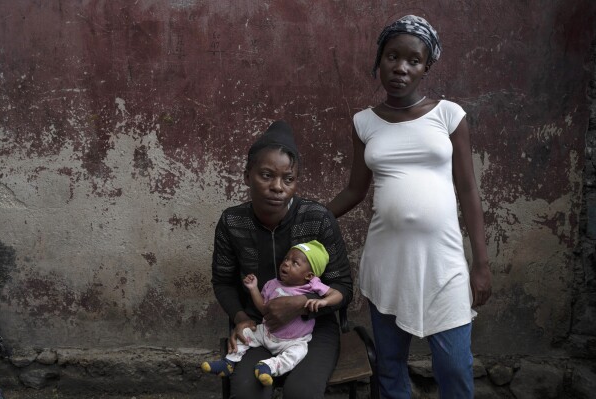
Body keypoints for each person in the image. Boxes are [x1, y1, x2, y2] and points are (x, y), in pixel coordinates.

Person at [327, 15, 492, 399]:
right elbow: (354, 190)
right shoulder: (364, 123)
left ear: (426, 67)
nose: (401, 67)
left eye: (413, 60)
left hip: (444, 264)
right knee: (390, 368)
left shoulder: (449, 115)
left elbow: (468, 190)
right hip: (387, 263)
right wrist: (305, 215)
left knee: (454, 366)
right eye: (392, 57)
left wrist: (480, 264)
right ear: (379, 60)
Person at [211, 120, 353, 399]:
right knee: (248, 392)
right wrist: (240, 318)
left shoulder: (316, 218)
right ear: (246, 175)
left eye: (288, 179)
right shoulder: (233, 222)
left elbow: (344, 287)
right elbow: (223, 281)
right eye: (266, 175)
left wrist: (300, 305)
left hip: (313, 330)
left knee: (301, 392)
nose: (278, 187)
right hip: (260, 327)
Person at [202, 240, 343, 386]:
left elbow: (338, 294)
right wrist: (253, 288)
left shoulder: (312, 286)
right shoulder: (272, 284)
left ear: (309, 275)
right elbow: (263, 308)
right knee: (244, 333)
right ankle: (229, 362)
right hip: (267, 333)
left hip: (294, 341)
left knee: (297, 354)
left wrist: (324, 301)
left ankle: (268, 367)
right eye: (286, 259)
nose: (286, 263)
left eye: (295, 263)